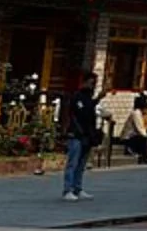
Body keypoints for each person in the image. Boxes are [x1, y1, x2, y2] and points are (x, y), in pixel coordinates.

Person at [61, 70, 99, 202]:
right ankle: (68, 189)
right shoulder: (77, 96)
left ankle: (78, 187)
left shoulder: (88, 97)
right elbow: (81, 113)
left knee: (81, 164)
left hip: (87, 134)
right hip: (77, 133)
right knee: (73, 162)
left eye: (94, 83)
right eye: (91, 83)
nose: (93, 86)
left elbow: (89, 112)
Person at [120, 96, 147, 163]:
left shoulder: (139, 113)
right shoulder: (136, 113)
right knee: (145, 138)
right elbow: (140, 129)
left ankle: (143, 155)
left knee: (145, 137)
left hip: (132, 137)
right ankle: (146, 157)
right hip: (127, 139)